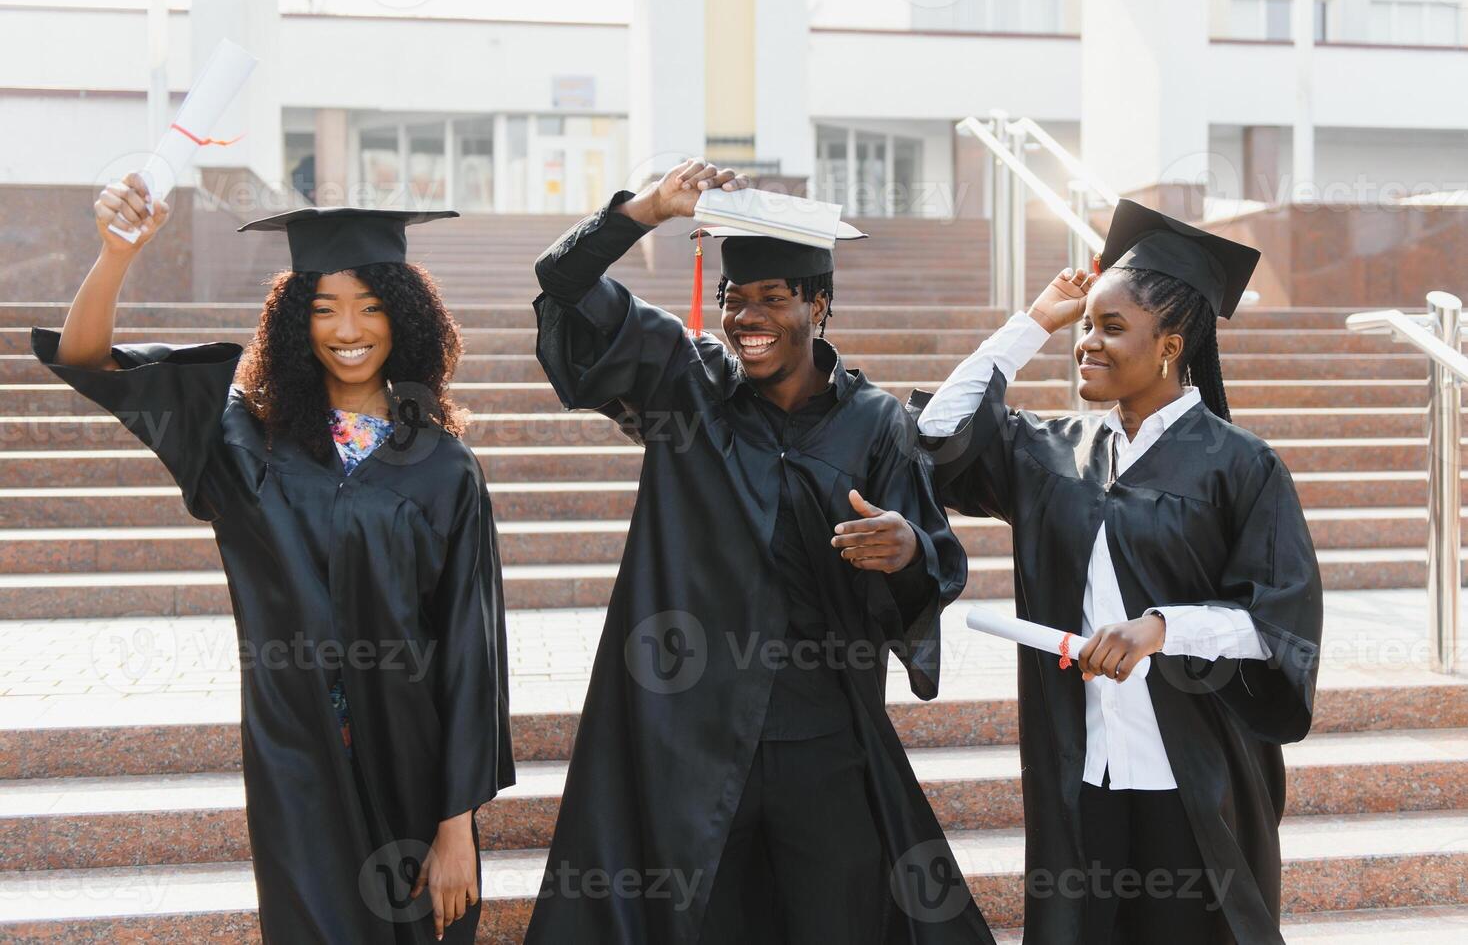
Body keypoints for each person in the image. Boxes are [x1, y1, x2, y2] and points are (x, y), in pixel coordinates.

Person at [29, 174, 515, 944]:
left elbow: (470, 648)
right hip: (297, 756)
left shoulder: (444, 468)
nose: (347, 327)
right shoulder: (240, 440)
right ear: (294, 321)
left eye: (370, 305)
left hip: (415, 761)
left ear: (407, 318)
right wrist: (117, 257)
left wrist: (458, 825)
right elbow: (89, 362)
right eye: (323, 308)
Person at [523, 160, 994, 944]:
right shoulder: (684, 382)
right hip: (690, 733)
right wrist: (642, 212)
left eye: (774, 298)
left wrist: (905, 549)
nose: (749, 316)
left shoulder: (877, 424)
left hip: (823, 730)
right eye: (735, 299)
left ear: (819, 303)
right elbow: (562, 286)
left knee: (837, 920)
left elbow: (934, 566)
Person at [908, 199, 1323, 945]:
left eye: (1109, 328)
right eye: (1086, 326)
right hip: (1082, 767)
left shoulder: (1239, 465)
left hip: (1194, 770)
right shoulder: (1052, 451)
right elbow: (938, 430)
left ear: (1169, 346)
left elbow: (1277, 622)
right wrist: (1036, 321)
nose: (1087, 344)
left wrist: (1161, 629)